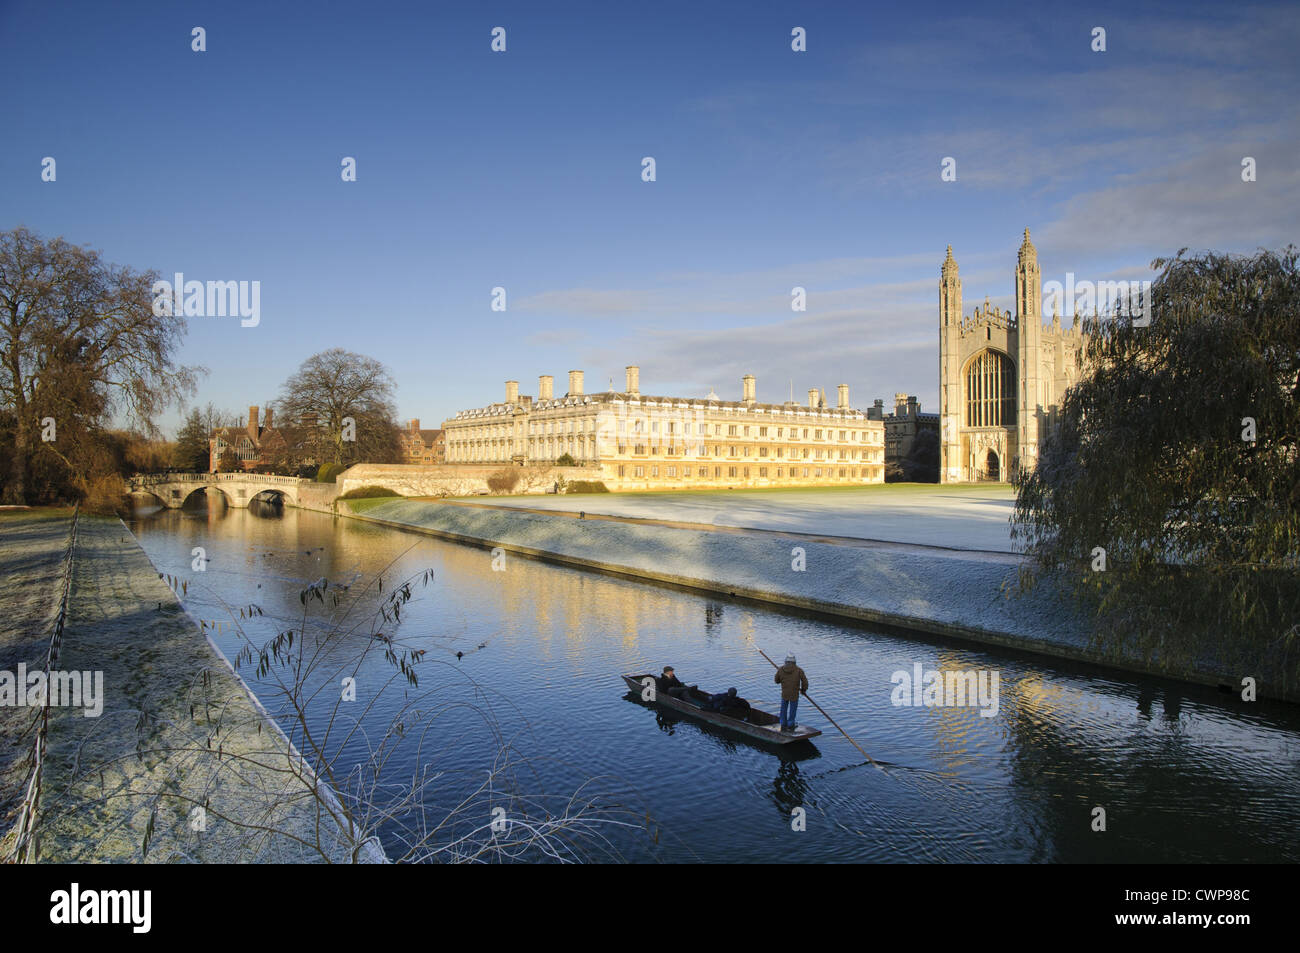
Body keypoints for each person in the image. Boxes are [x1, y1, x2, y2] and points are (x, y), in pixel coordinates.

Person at [774, 653, 808, 731]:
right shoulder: (799, 670)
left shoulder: (781, 669)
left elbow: (776, 681)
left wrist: (780, 675)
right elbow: (805, 682)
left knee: (783, 709)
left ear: (786, 661)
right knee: (793, 710)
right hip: (794, 695)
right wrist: (803, 690)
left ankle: (783, 723)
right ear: (794, 662)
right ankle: (790, 724)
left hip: (785, 694)